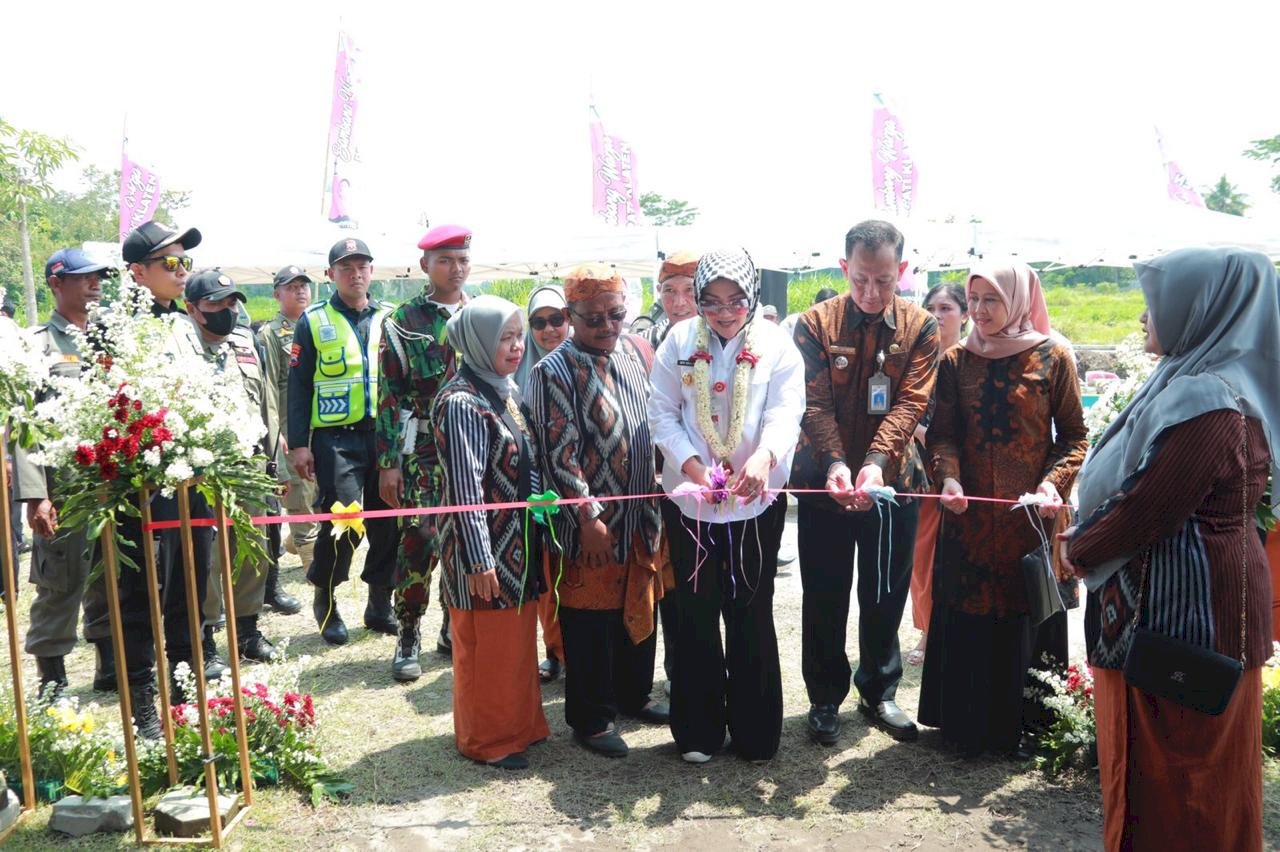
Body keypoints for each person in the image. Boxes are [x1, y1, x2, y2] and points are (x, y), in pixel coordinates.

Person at [1060, 248, 1277, 851]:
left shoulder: (1209, 400)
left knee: (1181, 784)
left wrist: (1078, 548)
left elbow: (1149, 509)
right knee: (1176, 782)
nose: (1142, 320)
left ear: (1199, 309)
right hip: (1182, 610)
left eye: (1155, 305)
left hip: (1184, 621)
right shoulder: (1192, 378)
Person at [917, 262, 1086, 757]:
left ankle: (1026, 723)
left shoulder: (1053, 356)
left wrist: (1051, 486)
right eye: (973, 299)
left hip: (1029, 521)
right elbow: (942, 434)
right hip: (967, 520)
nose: (979, 311)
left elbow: (1074, 438)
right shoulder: (955, 362)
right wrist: (947, 475)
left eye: (991, 299)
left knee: (1022, 613)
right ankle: (963, 723)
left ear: (1017, 299)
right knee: (968, 614)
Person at [650, 248, 804, 764]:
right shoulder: (676, 341)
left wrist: (763, 459)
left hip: (754, 502)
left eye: (735, 300)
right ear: (696, 299)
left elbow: (787, 412)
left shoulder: (777, 345)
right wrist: (694, 469)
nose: (723, 311)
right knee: (694, 613)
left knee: (749, 612)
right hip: (692, 504)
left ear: (752, 296)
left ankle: (756, 732)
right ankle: (698, 732)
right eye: (711, 301)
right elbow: (662, 415)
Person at [791, 220, 939, 746]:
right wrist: (835, 464)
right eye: (860, 280)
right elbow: (814, 402)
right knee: (824, 591)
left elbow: (910, 403)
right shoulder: (814, 324)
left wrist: (875, 463)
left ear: (902, 270)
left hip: (892, 483)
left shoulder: (922, 327)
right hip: (823, 484)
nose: (872, 293)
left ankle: (879, 690)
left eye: (883, 280)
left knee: (884, 591)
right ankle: (824, 696)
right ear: (843, 269)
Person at [528, 264, 668, 759]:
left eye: (617, 314)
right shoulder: (554, 371)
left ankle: (635, 695)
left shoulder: (633, 351)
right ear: (570, 316)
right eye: (594, 319)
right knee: (591, 620)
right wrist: (587, 516)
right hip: (590, 523)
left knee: (638, 600)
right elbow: (557, 453)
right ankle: (591, 717)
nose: (608, 326)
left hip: (640, 510)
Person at [434, 295, 549, 770]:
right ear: (478, 342)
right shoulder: (462, 401)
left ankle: (520, 726)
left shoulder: (502, 388)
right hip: (480, 549)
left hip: (515, 544)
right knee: (487, 646)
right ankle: (489, 740)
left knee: (515, 641)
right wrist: (481, 560)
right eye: (504, 337)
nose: (517, 345)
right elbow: (466, 487)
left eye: (519, 335)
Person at [11, 249, 115, 696]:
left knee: (113, 575)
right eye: (83, 277)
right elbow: (23, 425)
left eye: (98, 277)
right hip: (63, 484)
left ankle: (109, 664)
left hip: (113, 482)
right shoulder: (37, 344)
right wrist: (36, 495)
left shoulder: (114, 339)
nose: (94, 284)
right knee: (60, 579)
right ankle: (51, 677)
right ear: (56, 283)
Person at [289, 238, 400, 645]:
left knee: (389, 523)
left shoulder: (391, 317)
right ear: (331, 274)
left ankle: (379, 604)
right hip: (336, 440)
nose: (356, 274)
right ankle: (327, 599)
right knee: (344, 523)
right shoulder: (313, 320)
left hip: (385, 438)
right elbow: (298, 387)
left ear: (372, 271)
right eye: (346, 267)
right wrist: (299, 444)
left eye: (362, 266)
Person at [181, 270, 291, 665]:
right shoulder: (181, 348)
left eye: (232, 303)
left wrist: (271, 457)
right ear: (192, 309)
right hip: (202, 471)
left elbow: (266, 403)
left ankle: (247, 632)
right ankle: (207, 639)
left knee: (252, 550)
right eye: (216, 304)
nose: (227, 312)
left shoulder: (244, 342)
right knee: (209, 558)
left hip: (250, 464)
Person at [376, 224, 470, 680]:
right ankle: (408, 630)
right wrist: (389, 462)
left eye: (462, 259)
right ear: (425, 266)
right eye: (446, 260)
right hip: (424, 449)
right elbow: (389, 393)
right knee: (421, 537)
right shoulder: (402, 321)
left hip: (472, 447)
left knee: (467, 535)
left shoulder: (481, 314)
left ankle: (454, 627)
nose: (456, 268)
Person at [642, 251, 700, 690]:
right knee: (671, 587)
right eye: (668, 291)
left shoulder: (726, 338)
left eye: (688, 291)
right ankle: (679, 673)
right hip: (664, 486)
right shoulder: (645, 341)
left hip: (717, 488)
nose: (678, 301)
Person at [905, 283, 968, 667]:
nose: (937, 314)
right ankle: (927, 631)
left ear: (964, 314)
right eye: (931, 307)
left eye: (946, 307)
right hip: (921, 474)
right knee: (923, 555)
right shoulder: (919, 361)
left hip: (965, 475)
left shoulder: (971, 360)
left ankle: (953, 633)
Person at [512, 283, 570, 681]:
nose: (549, 330)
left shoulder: (590, 359)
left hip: (578, 491)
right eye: (538, 322)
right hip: (538, 495)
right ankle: (555, 651)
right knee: (546, 578)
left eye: (557, 319)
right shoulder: (515, 373)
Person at [256, 264, 316, 613]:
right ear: (277, 294)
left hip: (320, 425)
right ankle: (314, 572)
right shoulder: (270, 334)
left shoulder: (319, 324)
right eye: (291, 287)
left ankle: (296, 540)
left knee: (319, 495)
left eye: (304, 286)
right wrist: (277, 434)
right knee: (300, 496)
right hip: (290, 429)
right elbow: (269, 388)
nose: (300, 292)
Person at [641, 250, 700, 350]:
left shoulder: (724, 339)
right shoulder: (645, 343)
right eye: (670, 290)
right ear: (659, 291)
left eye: (689, 290)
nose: (679, 303)